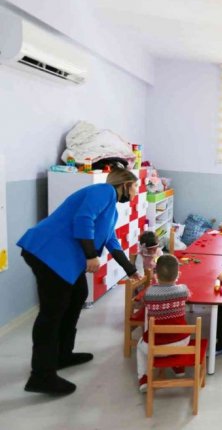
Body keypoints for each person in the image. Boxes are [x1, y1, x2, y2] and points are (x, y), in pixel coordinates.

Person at [18, 167, 141, 395]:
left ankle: (63, 354)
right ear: (124, 185)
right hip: (47, 252)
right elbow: (83, 219)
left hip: (62, 259)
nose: (136, 192)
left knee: (78, 296)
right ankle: (41, 376)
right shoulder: (104, 191)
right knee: (51, 313)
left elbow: (111, 241)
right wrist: (90, 255)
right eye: (135, 186)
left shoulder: (111, 211)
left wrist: (131, 270)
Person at [136, 254, 190, 393]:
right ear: (178, 274)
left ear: (156, 275)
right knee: (176, 331)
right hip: (181, 343)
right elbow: (188, 296)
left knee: (140, 347)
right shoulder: (183, 290)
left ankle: (144, 379)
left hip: (155, 346)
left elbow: (142, 302)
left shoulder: (149, 293)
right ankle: (179, 367)